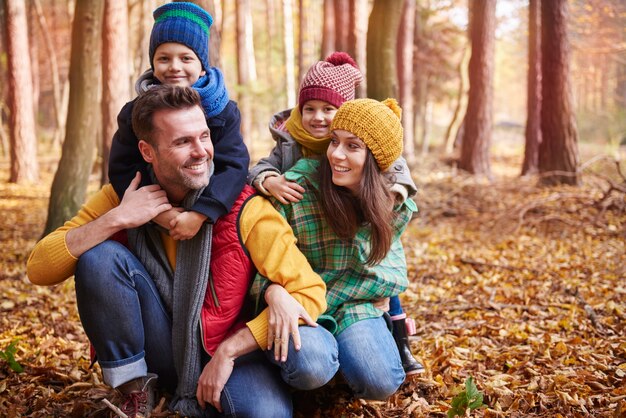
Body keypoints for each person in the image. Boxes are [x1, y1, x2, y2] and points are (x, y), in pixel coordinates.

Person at [27, 86, 338, 418]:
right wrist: (117, 218)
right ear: (147, 151)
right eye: (182, 142)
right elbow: (39, 269)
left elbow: (309, 291)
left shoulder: (241, 207)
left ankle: (211, 387)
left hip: (229, 349)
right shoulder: (126, 196)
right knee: (97, 257)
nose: (201, 151)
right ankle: (134, 390)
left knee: (267, 413)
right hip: (161, 343)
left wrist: (230, 351)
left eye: (204, 136)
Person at [248, 52, 423, 375]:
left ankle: (396, 340)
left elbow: (394, 163)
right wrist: (269, 180)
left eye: (328, 110)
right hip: (305, 273)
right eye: (309, 109)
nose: (318, 118)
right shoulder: (290, 145)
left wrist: (396, 192)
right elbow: (261, 167)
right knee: (311, 362)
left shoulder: (368, 139)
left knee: (381, 359)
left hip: (356, 284)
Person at [109, 2, 249, 240]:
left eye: (186, 58)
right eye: (164, 58)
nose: (175, 67)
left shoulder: (223, 111)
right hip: (155, 212)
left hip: (212, 214)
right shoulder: (134, 113)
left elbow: (234, 166)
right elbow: (123, 168)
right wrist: (159, 213)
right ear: (153, 64)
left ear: (202, 67)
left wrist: (201, 212)